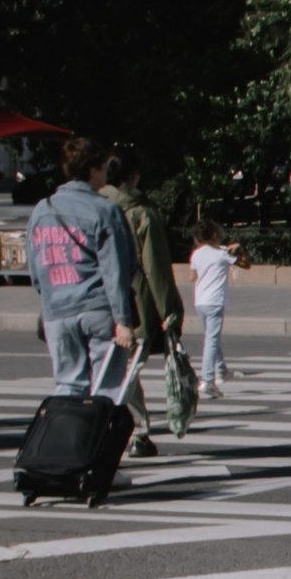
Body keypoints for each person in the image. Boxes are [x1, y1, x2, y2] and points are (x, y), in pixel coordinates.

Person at [26, 137, 138, 399]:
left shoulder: (43, 209)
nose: (105, 173)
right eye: (102, 167)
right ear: (92, 170)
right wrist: (123, 320)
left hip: (57, 311)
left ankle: (73, 439)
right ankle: (101, 440)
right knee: (107, 388)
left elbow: (35, 268)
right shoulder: (105, 210)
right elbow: (118, 269)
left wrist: (49, 303)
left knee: (67, 387)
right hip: (97, 308)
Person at [101, 148, 182, 455]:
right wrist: (169, 311)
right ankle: (134, 432)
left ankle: (135, 429)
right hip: (135, 304)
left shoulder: (91, 207)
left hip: (95, 304)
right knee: (128, 370)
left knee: (114, 371)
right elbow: (156, 267)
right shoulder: (140, 213)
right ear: (132, 177)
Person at [187, 220, 240, 398]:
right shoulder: (221, 253)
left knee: (211, 337)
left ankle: (222, 371)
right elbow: (242, 263)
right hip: (215, 301)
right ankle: (208, 380)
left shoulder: (196, 254)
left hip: (199, 301)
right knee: (211, 340)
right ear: (214, 235)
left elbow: (191, 277)